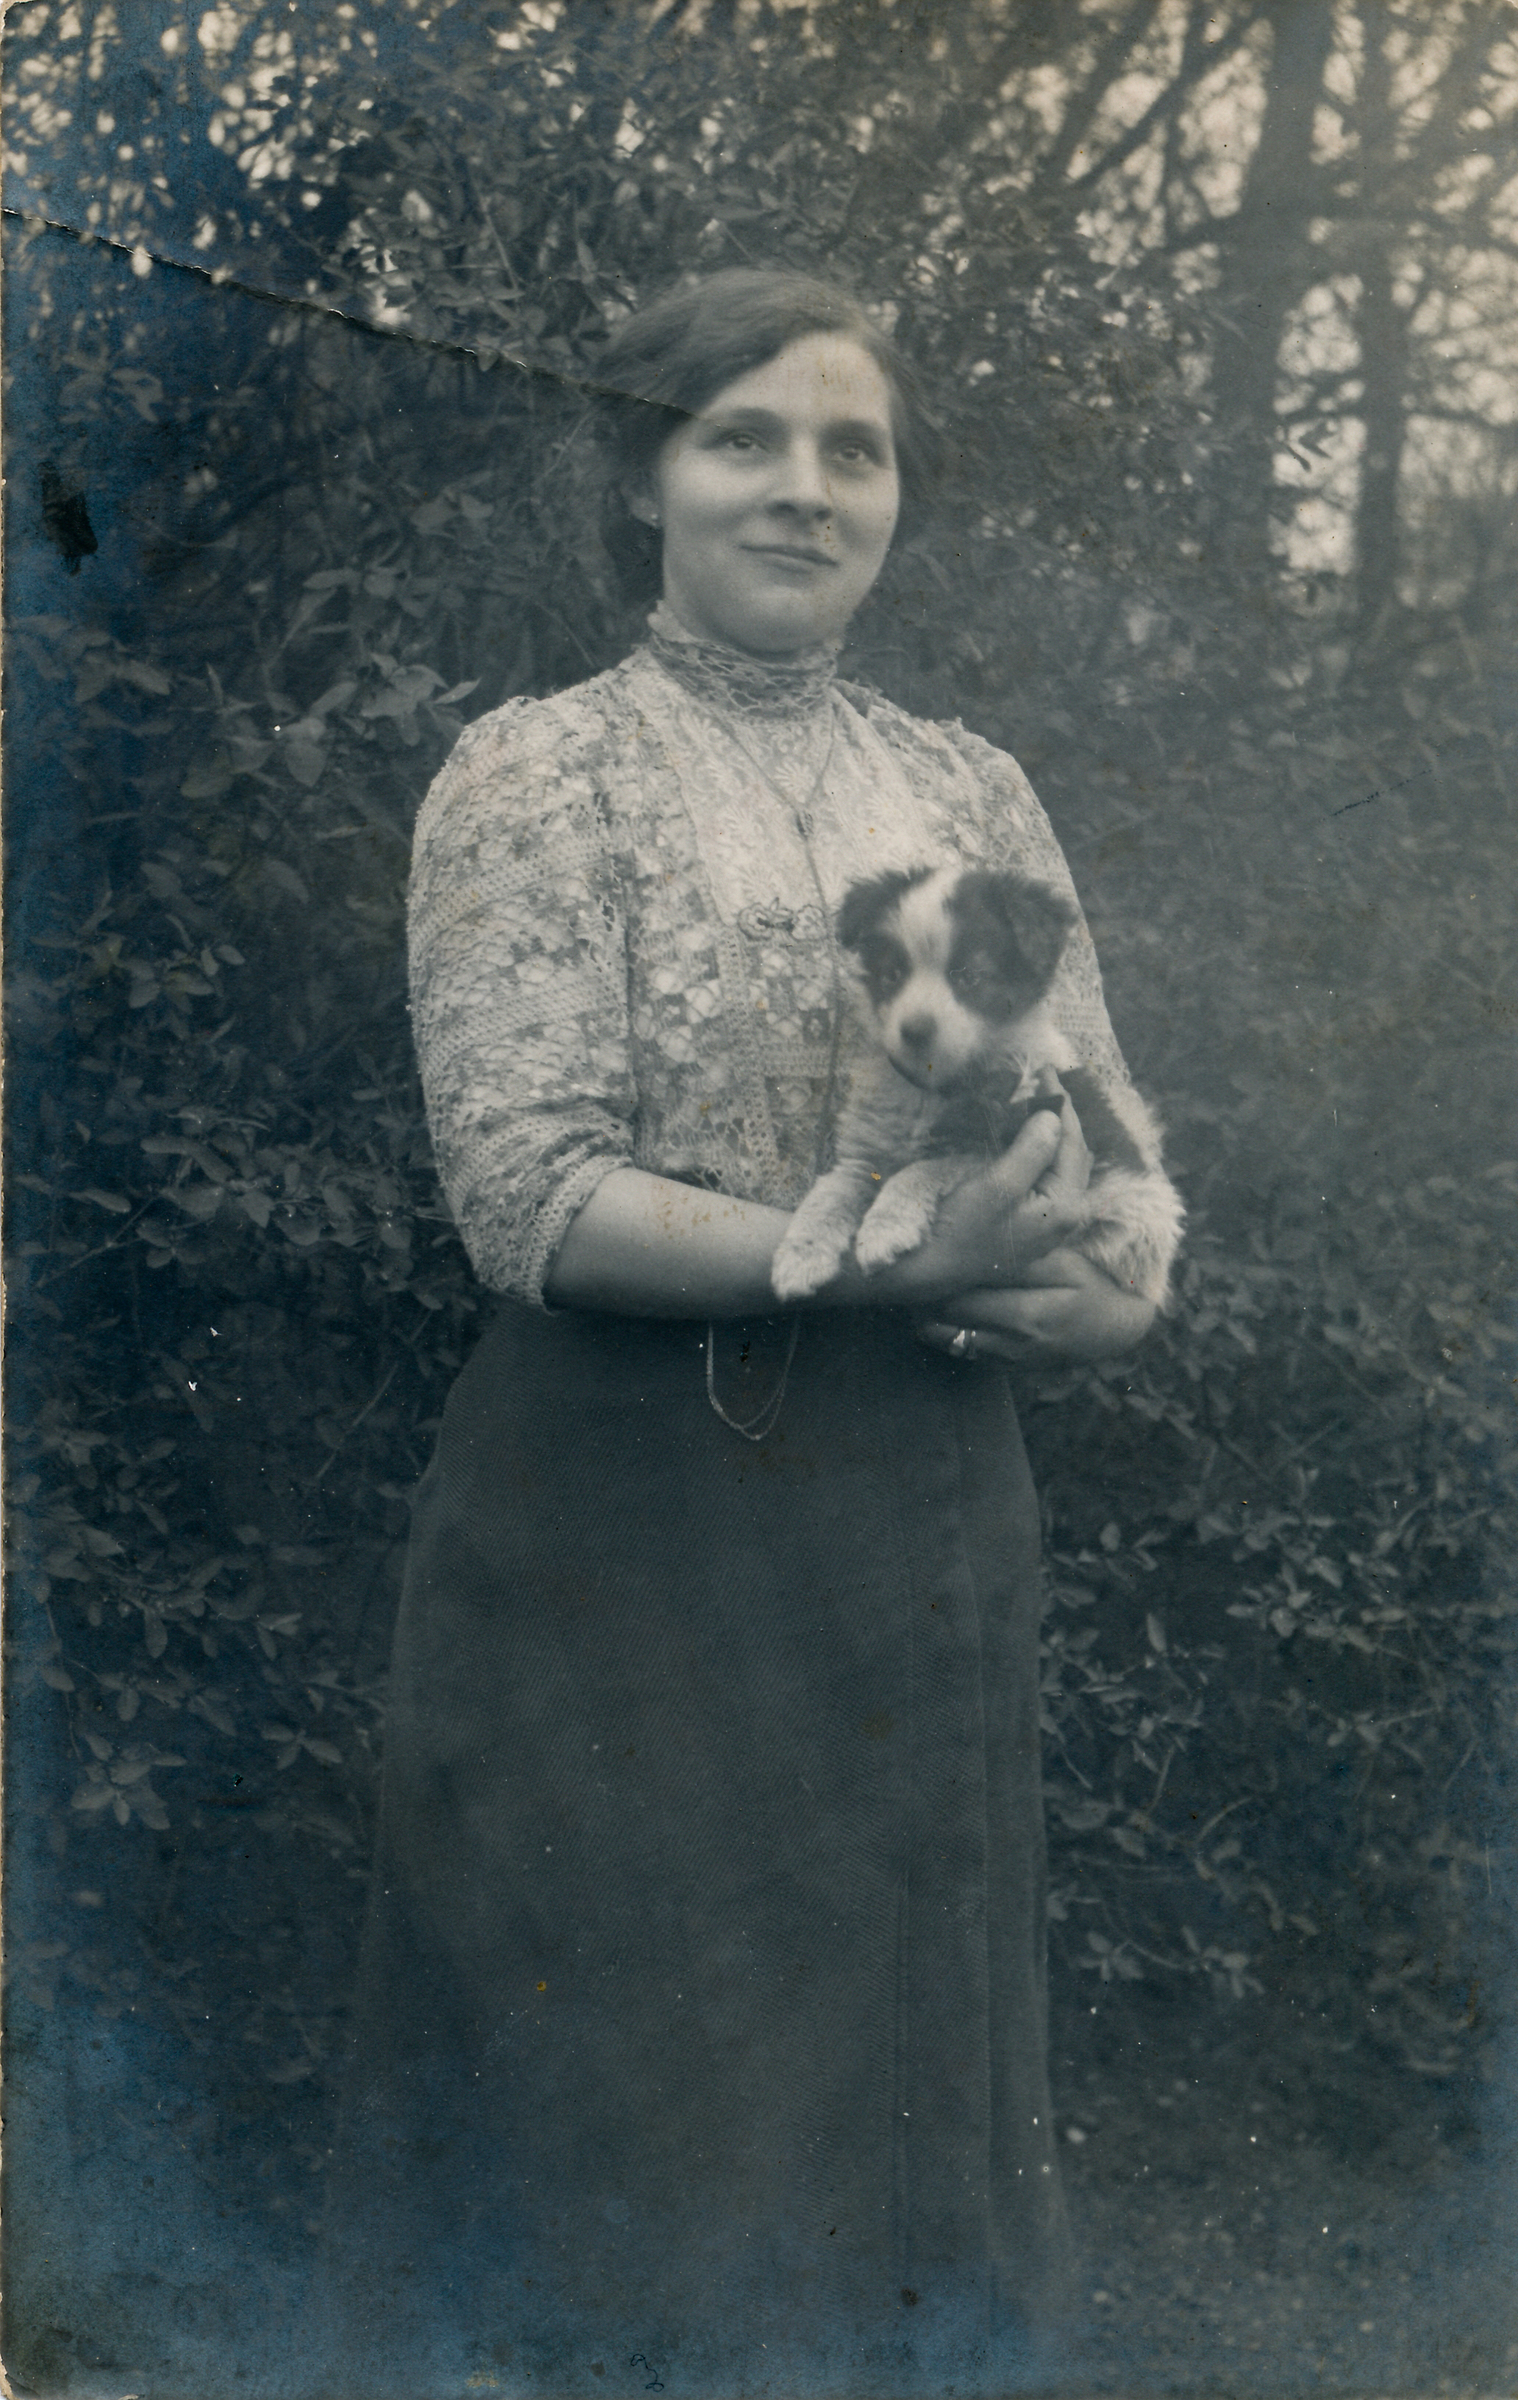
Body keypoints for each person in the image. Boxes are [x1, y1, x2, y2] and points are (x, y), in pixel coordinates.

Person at [324, 268, 1182, 2397]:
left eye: (851, 449)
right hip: (617, 1541)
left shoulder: (973, 795)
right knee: (620, 2156)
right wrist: (885, 1262)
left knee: (902, 2160)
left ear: (895, 497)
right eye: (744, 440)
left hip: (916, 1531)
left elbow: (1097, 1165)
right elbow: (528, 1195)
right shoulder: (537, 774)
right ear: (643, 476)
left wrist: (1103, 1276)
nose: (804, 488)